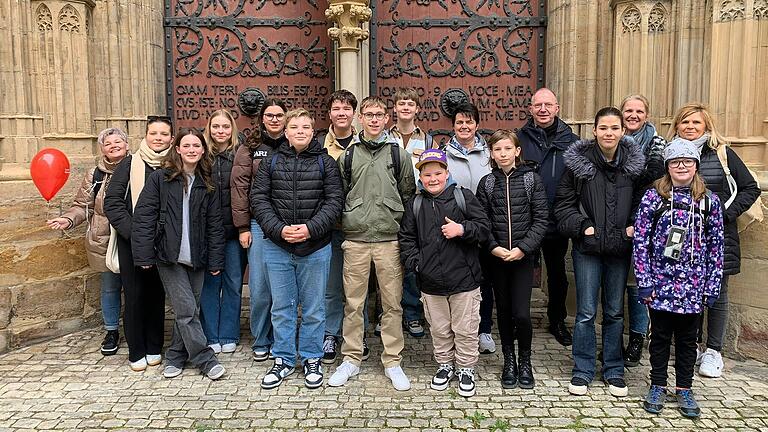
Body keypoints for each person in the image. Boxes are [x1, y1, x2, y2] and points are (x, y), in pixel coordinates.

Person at [555, 107, 645, 397]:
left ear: (622, 131)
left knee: (616, 311)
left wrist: (633, 226)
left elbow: (643, 203)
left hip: (620, 247)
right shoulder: (578, 166)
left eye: (614, 128)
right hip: (588, 249)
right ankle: (582, 370)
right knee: (585, 312)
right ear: (593, 131)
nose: (609, 133)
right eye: (603, 128)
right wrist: (583, 227)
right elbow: (563, 205)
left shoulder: (633, 166)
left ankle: (614, 369)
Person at [328, 96, 416, 391]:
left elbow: (407, 191)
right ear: (360, 119)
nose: (375, 119)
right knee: (353, 304)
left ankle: (392, 361)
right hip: (355, 240)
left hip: (389, 240)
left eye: (380, 114)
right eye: (369, 114)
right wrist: (352, 219)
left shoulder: (397, 154)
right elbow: (340, 194)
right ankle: (351, 358)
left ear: (387, 119)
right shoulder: (348, 156)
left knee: (392, 304)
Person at [251, 109, 343, 389]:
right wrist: (278, 229)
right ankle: (283, 358)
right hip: (278, 246)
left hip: (315, 246)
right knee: (282, 307)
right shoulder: (271, 162)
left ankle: (312, 357)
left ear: (313, 131)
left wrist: (310, 228)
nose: (300, 130)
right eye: (295, 127)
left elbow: (334, 201)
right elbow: (259, 199)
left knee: (314, 308)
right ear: (287, 132)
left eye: (305, 126)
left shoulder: (326, 163)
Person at [667, 103, 761, 378]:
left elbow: (750, 188)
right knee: (688, 291)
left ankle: (714, 351)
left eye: (696, 122)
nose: (690, 127)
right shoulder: (670, 153)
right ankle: (691, 345)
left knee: (717, 295)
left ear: (706, 126)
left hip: (718, 237)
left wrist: (724, 215)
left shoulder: (722, 154)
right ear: (677, 126)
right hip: (682, 239)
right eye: (685, 122)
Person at [633, 138, 724, 418]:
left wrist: (712, 285)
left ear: (695, 166)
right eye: (675, 162)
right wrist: (644, 280)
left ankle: (684, 388)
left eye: (687, 161)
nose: (681, 166)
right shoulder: (653, 198)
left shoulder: (709, 202)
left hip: (694, 285)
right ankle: (658, 384)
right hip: (661, 281)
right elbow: (640, 242)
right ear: (667, 167)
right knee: (659, 337)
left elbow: (716, 247)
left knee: (687, 340)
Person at [131, 128, 226, 380]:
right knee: (185, 309)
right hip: (168, 256)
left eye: (197, 145)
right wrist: (143, 255)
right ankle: (205, 358)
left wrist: (216, 259)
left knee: (190, 310)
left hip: (197, 257)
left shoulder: (207, 182)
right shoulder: (161, 179)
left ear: (203, 150)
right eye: (187, 145)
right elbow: (144, 217)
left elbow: (215, 224)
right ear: (178, 149)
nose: (192, 150)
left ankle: (175, 355)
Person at [399, 148, 490, 398]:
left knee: (465, 328)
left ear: (447, 173)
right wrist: (417, 264)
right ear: (421, 177)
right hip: (430, 282)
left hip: (464, 280)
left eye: (438, 173)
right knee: (439, 328)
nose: (433, 179)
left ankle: (466, 368)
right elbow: (406, 238)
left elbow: (484, 228)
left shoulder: (463, 197)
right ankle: (445, 364)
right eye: (427, 175)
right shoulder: (415, 204)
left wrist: (462, 229)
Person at [475, 130, 549, 389]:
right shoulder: (487, 183)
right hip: (496, 258)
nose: (503, 154)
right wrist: (493, 247)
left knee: (522, 313)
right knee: (504, 311)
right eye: (497, 150)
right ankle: (509, 361)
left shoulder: (531, 180)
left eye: (508, 149)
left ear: (517, 151)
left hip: (522, 258)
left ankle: (525, 360)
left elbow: (541, 220)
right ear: (491, 154)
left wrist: (523, 249)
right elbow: (481, 221)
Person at [46, 127, 129, 356]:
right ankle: (111, 331)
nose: (113, 146)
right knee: (110, 287)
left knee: (136, 287)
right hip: (104, 238)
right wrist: (67, 219)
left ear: (127, 145)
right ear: (102, 149)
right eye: (108, 143)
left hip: (131, 237)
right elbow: (82, 206)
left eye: (117, 142)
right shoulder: (95, 174)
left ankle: (135, 330)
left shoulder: (138, 167)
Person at [104, 116, 173, 371]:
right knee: (134, 297)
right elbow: (112, 203)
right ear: (145, 135)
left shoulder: (173, 165)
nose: (158, 138)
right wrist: (137, 233)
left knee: (156, 295)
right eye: (153, 133)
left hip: (163, 243)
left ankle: (155, 346)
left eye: (163, 134)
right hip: (132, 240)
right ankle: (137, 350)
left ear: (171, 138)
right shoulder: (129, 164)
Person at [516, 88, 579, 347]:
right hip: (525, 219)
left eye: (548, 105)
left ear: (557, 108)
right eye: (537, 105)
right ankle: (518, 320)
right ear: (530, 109)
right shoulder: (519, 138)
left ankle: (557, 320)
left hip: (556, 218)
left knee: (557, 274)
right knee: (520, 271)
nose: (542, 109)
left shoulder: (572, 142)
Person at [315, 90, 370, 364]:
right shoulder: (318, 144)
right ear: (330, 114)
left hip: (359, 226)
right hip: (330, 227)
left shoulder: (365, 144)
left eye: (346, 109)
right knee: (332, 286)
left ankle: (358, 335)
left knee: (358, 286)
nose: (341, 113)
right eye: (336, 108)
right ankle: (330, 333)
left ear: (354, 114)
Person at [230, 98, 288, 362]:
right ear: (262, 118)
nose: (274, 119)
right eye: (270, 115)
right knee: (261, 287)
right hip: (258, 224)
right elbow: (240, 188)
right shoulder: (250, 147)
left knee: (284, 287)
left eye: (279, 115)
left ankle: (282, 336)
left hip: (287, 224)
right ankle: (261, 337)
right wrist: (243, 226)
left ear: (285, 118)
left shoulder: (292, 144)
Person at [444, 102, 495, 354]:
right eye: (459, 122)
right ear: (453, 126)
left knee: (484, 281)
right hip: (456, 229)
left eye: (469, 122)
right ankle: (457, 332)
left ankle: (484, 329)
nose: (464, 126)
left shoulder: (490, 154)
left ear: (477, 124)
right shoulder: (444, 155)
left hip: (485, 228)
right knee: (460, 281)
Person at [619, 94, 667, 366]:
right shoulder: (612, 140)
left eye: (639, 111)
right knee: (616, 282)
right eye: (628, 110)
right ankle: (616, 340)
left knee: (638, 284)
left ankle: (637, 339)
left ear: (646, 115)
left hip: (645, 224)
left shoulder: (658, 144)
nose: (633, 115)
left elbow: (655, 180)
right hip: (616, 222)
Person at [389, 87, 437, 339]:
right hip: (389, 207)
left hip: (418, 207)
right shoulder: (384, 137)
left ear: (417, 109)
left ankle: (412, 313)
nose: (406, 107)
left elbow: (437, 171)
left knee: (412, 262)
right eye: (401, 103)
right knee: (386, 263)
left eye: (410, 103)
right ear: (394, 109)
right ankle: (386, 315)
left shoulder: (428, 141)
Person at [199, 109, 247, 355]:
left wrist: (244, 226)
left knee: (233, 282)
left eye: (225, 127)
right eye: (216, 127)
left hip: (233, 230)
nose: (220, 131)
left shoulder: (240, 153)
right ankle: (210, 334)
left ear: (232, 129)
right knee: (210, 283)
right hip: (207, 232)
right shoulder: (201, 155)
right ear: (209, 128)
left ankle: (229, 333)